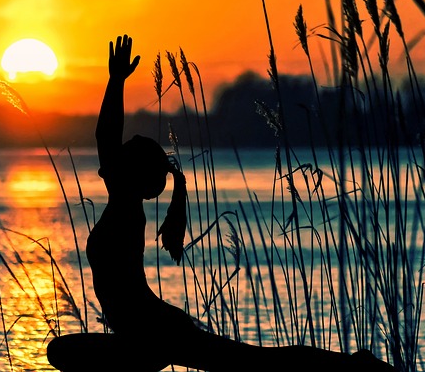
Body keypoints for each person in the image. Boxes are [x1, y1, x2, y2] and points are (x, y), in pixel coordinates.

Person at [47, 35, 398, 371]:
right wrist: (116, 81)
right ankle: (349, 365)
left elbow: (105, 135)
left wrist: (116, 81)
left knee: (255, 363)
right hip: (148, 332)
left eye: (129, 150)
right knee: (249, 361)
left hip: (152, 333)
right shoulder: (125, 201)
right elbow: (107, 139)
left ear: (130, 173)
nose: (121, 149)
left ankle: (351, 366)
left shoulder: (124, 204)